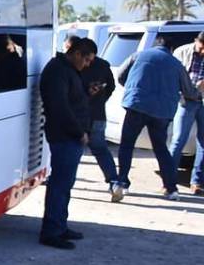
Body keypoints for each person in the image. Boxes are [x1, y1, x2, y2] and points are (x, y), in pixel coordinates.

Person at [116, 37, 200, 200]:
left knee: (127, 145)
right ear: (170, 49)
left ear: (156, 45)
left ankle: (122, 183)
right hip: (162, 111)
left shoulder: (138, 55)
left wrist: (134, 89)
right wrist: (197, 94)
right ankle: (171, 188)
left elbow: (120, 76)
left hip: (136, 106)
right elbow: (189, 92)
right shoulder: (176, 64)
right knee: (161, 149)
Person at [38, 37, 94, 249]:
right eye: (87, 60)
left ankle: (60, 225)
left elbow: (71, 100)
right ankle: (52, 230)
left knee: (65, 184)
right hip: (65, 136)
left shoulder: (67, 70)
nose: (87, 65)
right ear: (77, 54)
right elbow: (60, 107)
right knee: (60, 185)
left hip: (69, 135)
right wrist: (79, 132)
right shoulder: (58, 71)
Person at [75, 38, 122, 200]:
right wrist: (100, 99)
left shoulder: (76, 66)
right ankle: (114, 182)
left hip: (79, 116)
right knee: (101, 150)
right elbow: (111, 86)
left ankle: (65, 181)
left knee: (74, 151)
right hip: (98, 114)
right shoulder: (103, 65)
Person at [170, 32, 204, 194]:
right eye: (202, 48)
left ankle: (196, 181)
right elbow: (173, 77)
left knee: (203, 143)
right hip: (186, 100)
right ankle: (169, 180)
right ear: (196, 41)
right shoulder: (182, 52)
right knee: (178, 140)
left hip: (202, 101)